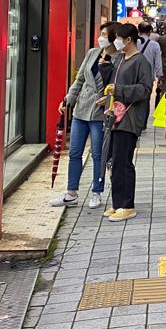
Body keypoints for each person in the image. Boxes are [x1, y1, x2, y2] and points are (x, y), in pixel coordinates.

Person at [52, 22, 119, 209]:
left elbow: (118, 84)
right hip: (81, 109)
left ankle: (97, 192)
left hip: (99, 113)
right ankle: (71, 193)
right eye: (101, 33)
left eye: (105, 34)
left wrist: (107, 98)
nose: (101, 37)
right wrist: (68, 99)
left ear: (114, 37)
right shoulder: (92, 53)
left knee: (98, 154)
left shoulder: (119, 59)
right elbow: (79, 79)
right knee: (74, 152)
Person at [99, 22, 154, 222]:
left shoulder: (141, 62)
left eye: (119, 39)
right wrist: (106, 98)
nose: (117, 43)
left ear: (129, 39)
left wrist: (120, 91)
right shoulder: (121, 59)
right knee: (114, 161)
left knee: (123, 161)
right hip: (116, 116)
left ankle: (127, 205)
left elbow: (145, 90)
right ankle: (117, 203)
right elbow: (114, 86)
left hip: (130, 119)